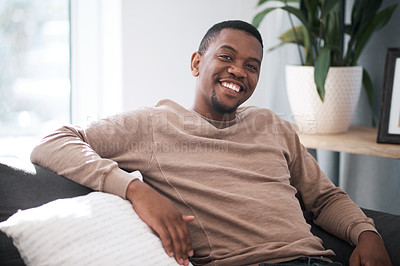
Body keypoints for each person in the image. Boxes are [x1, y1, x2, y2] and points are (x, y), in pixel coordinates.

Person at [30, 20, 392, 266]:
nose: (239, 70)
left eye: (252, 65)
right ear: (196, 63)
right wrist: (136, 190)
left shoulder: (271, 124)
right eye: (227, 57)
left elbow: (324, 198)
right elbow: (53, 142)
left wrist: (367, 235)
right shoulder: (155, 123)